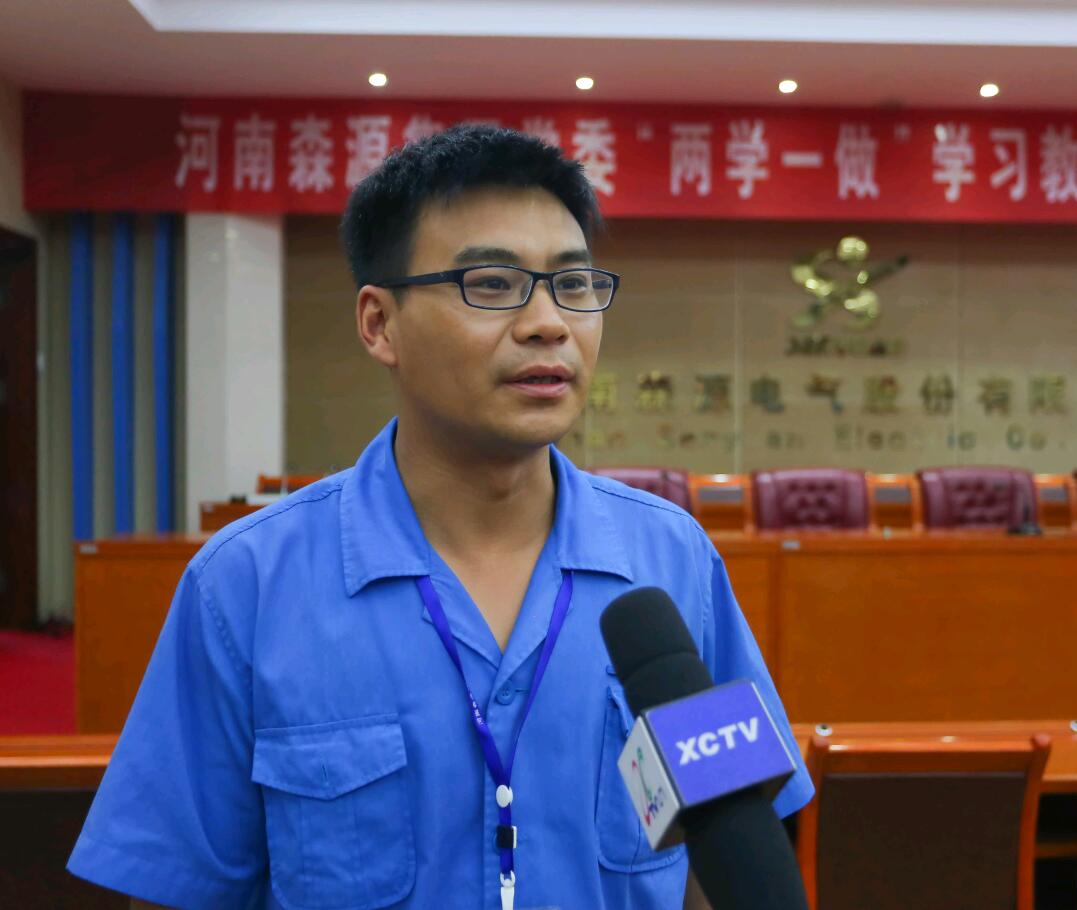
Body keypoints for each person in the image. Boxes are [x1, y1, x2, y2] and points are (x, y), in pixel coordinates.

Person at [66, 124, 812, 910]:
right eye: (490, 284)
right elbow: (180, 886)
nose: (548, 323)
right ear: (378, 324)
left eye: (572, 283)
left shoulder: (671, 561)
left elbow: (726, 856)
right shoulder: (246, 585)